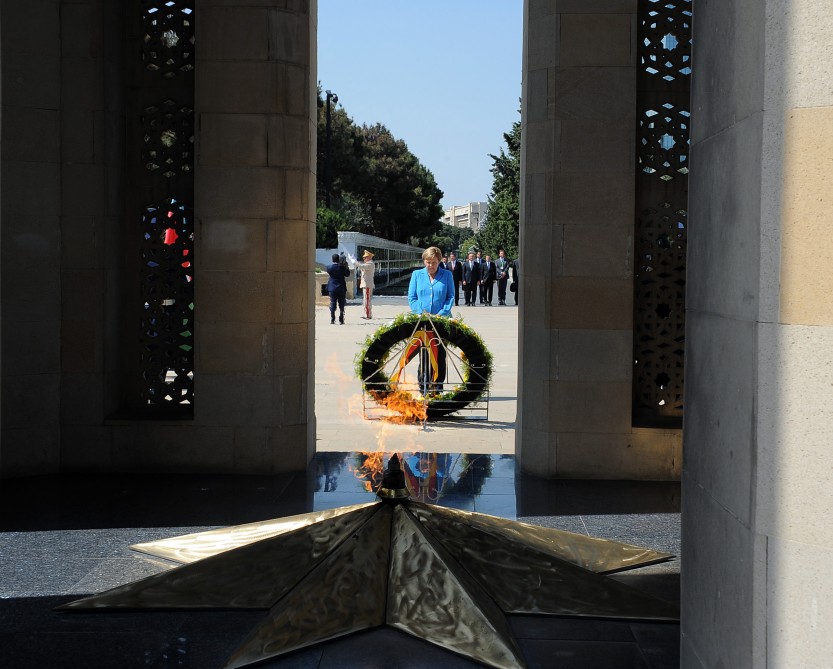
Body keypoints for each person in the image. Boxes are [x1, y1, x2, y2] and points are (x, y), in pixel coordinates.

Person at [408, 246, 455, 392]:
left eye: (434, 262)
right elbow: (412, 297)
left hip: (441, 321)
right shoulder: (417, 275)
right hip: (422, 321)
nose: (430, 266)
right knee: (424, 355)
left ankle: (437, 387)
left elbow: (450, 297)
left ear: (439, 261)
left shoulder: (447, 275)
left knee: (440, 355)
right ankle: (423, 386)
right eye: (428, 262)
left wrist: (442, 313)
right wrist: (420, 312)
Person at [325, 252, 350, 324]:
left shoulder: (329, 267)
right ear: (339, 259)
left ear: (332, 259)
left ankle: (332, 319)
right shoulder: (342, 267)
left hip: (332, 288)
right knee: (341, 304)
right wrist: (346, 266)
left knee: (332, 303)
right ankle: (341, 319)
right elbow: (347, 274)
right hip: (341, 288)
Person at [352, 250, 376, 319]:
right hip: (366, 284)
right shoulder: (368, 264)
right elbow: (362, 266)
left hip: (367, 284)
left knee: (367, 300)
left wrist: (354, 261)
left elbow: (361, 266)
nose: (364, 258)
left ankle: (368, 315)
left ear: (369, 257)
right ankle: (367, 314)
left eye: (365, 257)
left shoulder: (370, 264)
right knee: (366, 300)